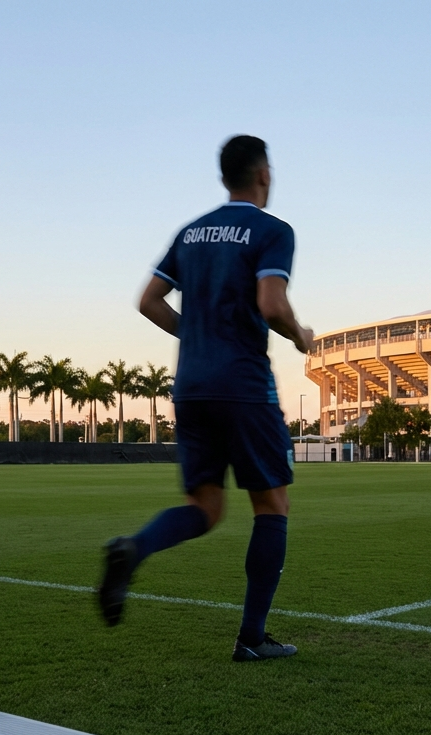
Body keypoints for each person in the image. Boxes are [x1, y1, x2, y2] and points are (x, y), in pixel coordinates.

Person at [97, 135, 314, 662]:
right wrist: (299, 334)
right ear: (263, 173)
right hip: (243, 383)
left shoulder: (190, 233)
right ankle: (252, 638)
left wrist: (193, 336)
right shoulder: (272, 230)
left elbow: (148, 301)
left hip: (191, 385)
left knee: (206, 506)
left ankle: (135, 548)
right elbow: (271, 301)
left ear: (225, 178)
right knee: (272, 504)